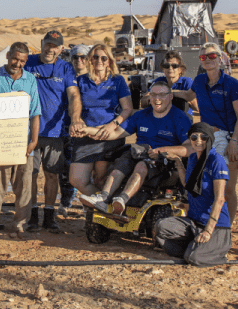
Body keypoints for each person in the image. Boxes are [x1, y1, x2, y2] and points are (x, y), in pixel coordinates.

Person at [77, 80, 192, 214]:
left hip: (164, 161)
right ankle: (103, 198)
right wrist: (86, 131)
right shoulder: (141, 115)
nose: (157, 99)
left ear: (171, 96)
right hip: (141, 152)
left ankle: (122, 199)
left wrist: (163, 151)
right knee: (123, 160)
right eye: (153, 95)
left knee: (142, 165)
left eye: (162, 95)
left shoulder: (180, 118)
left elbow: (189, 148)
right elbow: (115, 133)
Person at [23, 30, 82, 232]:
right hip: (29, 131)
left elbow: (73, 95)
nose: (50, 49)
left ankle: (49, 216)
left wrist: (75, 118)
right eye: (47, 44)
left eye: (55, 46)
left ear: (61, 49)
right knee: (29, 175)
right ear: (41, 43)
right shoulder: (28, 62)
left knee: (52, 175)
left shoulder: (65, 68)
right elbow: (9, 69)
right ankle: (31, 215)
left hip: (54, 131)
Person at [0, 42, 41, 237]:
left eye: (22, 61)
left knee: (24, 184)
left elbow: (35, 113)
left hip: (23, 141)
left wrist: (34, 140)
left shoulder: (30, 80)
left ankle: (20, 224)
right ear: (7, 56)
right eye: (15, 58)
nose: (18, 63)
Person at [180, 43, 238, 222]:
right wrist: (165, 94)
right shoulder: (199, 81)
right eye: (204, 57)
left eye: (212, 56)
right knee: (204, 182)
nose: (208, 60)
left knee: (227, 188)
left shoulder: (232, 84)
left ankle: (226, 229)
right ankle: (203, 220)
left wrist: (234, 142)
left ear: (220, 58)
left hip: (228, 137)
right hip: (205, 138)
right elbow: (188, 95)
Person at [154, 122, 232, 267]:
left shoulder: (217, 161)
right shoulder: (193, 159)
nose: (198, 141)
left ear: (210, 139)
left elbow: (220, 199)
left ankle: (218, 250)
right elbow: (187, 184)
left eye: (203, 137)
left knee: (194, 258)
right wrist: (177, 161)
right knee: (161, 226)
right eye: (194, 137)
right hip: (194, 221)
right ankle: (198, 246)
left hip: (214, 225)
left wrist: (208, 230)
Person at [70, 44, 133, 206]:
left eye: (104, 58)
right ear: (90, 59)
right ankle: (103, 205)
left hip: (108, 137)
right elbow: (74, 103)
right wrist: (76, 122)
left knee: (101, 179)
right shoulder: (81, 80)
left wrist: (112, 125)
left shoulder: (118, 80)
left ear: (109, 61)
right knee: (77, 179)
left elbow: (127, 108)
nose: (99, 61)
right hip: (85, 135)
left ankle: (98, 219)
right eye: (96, 57)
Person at [59, 44, 89, 214]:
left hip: (87, 129)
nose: (79, 60)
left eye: (83, 57)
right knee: (65, 168)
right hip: (65, 127)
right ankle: (65, 202)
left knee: (86, 168)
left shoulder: (92, 79)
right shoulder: (66, 76)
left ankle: (87, 204)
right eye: (75, 57)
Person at [141, 50, 198, 115]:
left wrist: (170, 93)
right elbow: (143, 102)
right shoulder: (158, 81)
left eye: (174, 66)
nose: (170, 68)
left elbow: (198, 107)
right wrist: (151, 97)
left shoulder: (187, 82)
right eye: (166, 65)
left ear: (180, 69)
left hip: (182, 119)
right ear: (163, 69)